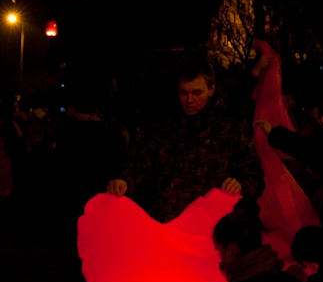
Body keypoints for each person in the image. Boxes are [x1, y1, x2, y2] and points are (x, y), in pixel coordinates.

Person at [107, 60, 264, 223]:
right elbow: (142, 157)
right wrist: (125, 179)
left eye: (197, 93)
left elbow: (255, 175)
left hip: (211, 227)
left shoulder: (231, 130)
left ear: (211, 89)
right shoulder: (162, 127)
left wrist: (241, 184)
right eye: (183, 93)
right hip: (165, 224)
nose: (189, 100)